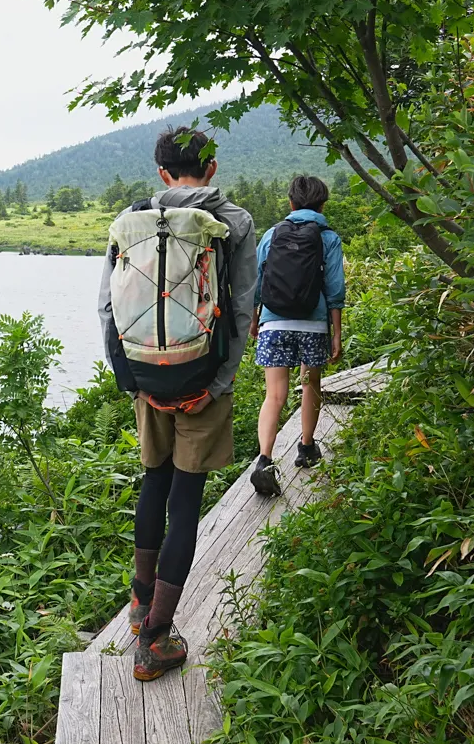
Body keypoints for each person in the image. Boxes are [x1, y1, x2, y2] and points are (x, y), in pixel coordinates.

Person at [97, 127, 256, 682]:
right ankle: (156, 640)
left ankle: (141, 606)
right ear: (211, 169)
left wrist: (132, 382)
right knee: (186, 499)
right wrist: (218, 384)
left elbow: (106, 311)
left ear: (162, 173)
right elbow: (242, 311)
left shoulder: (131, 220)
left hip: (147, 378)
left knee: (153, 483)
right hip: (202, 380)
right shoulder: (233, 223)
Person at [249, 175, 346, 497]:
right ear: (323, 204)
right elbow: (334, 289)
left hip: (273, 323)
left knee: (274, 395)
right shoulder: (328, 237)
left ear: (290, 203)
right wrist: (336, 333)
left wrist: (255, 320)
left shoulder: (272, 233)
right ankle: (306, 448)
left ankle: (264, 459)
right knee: (310, 385)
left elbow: (258, 281)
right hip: (313, 323)